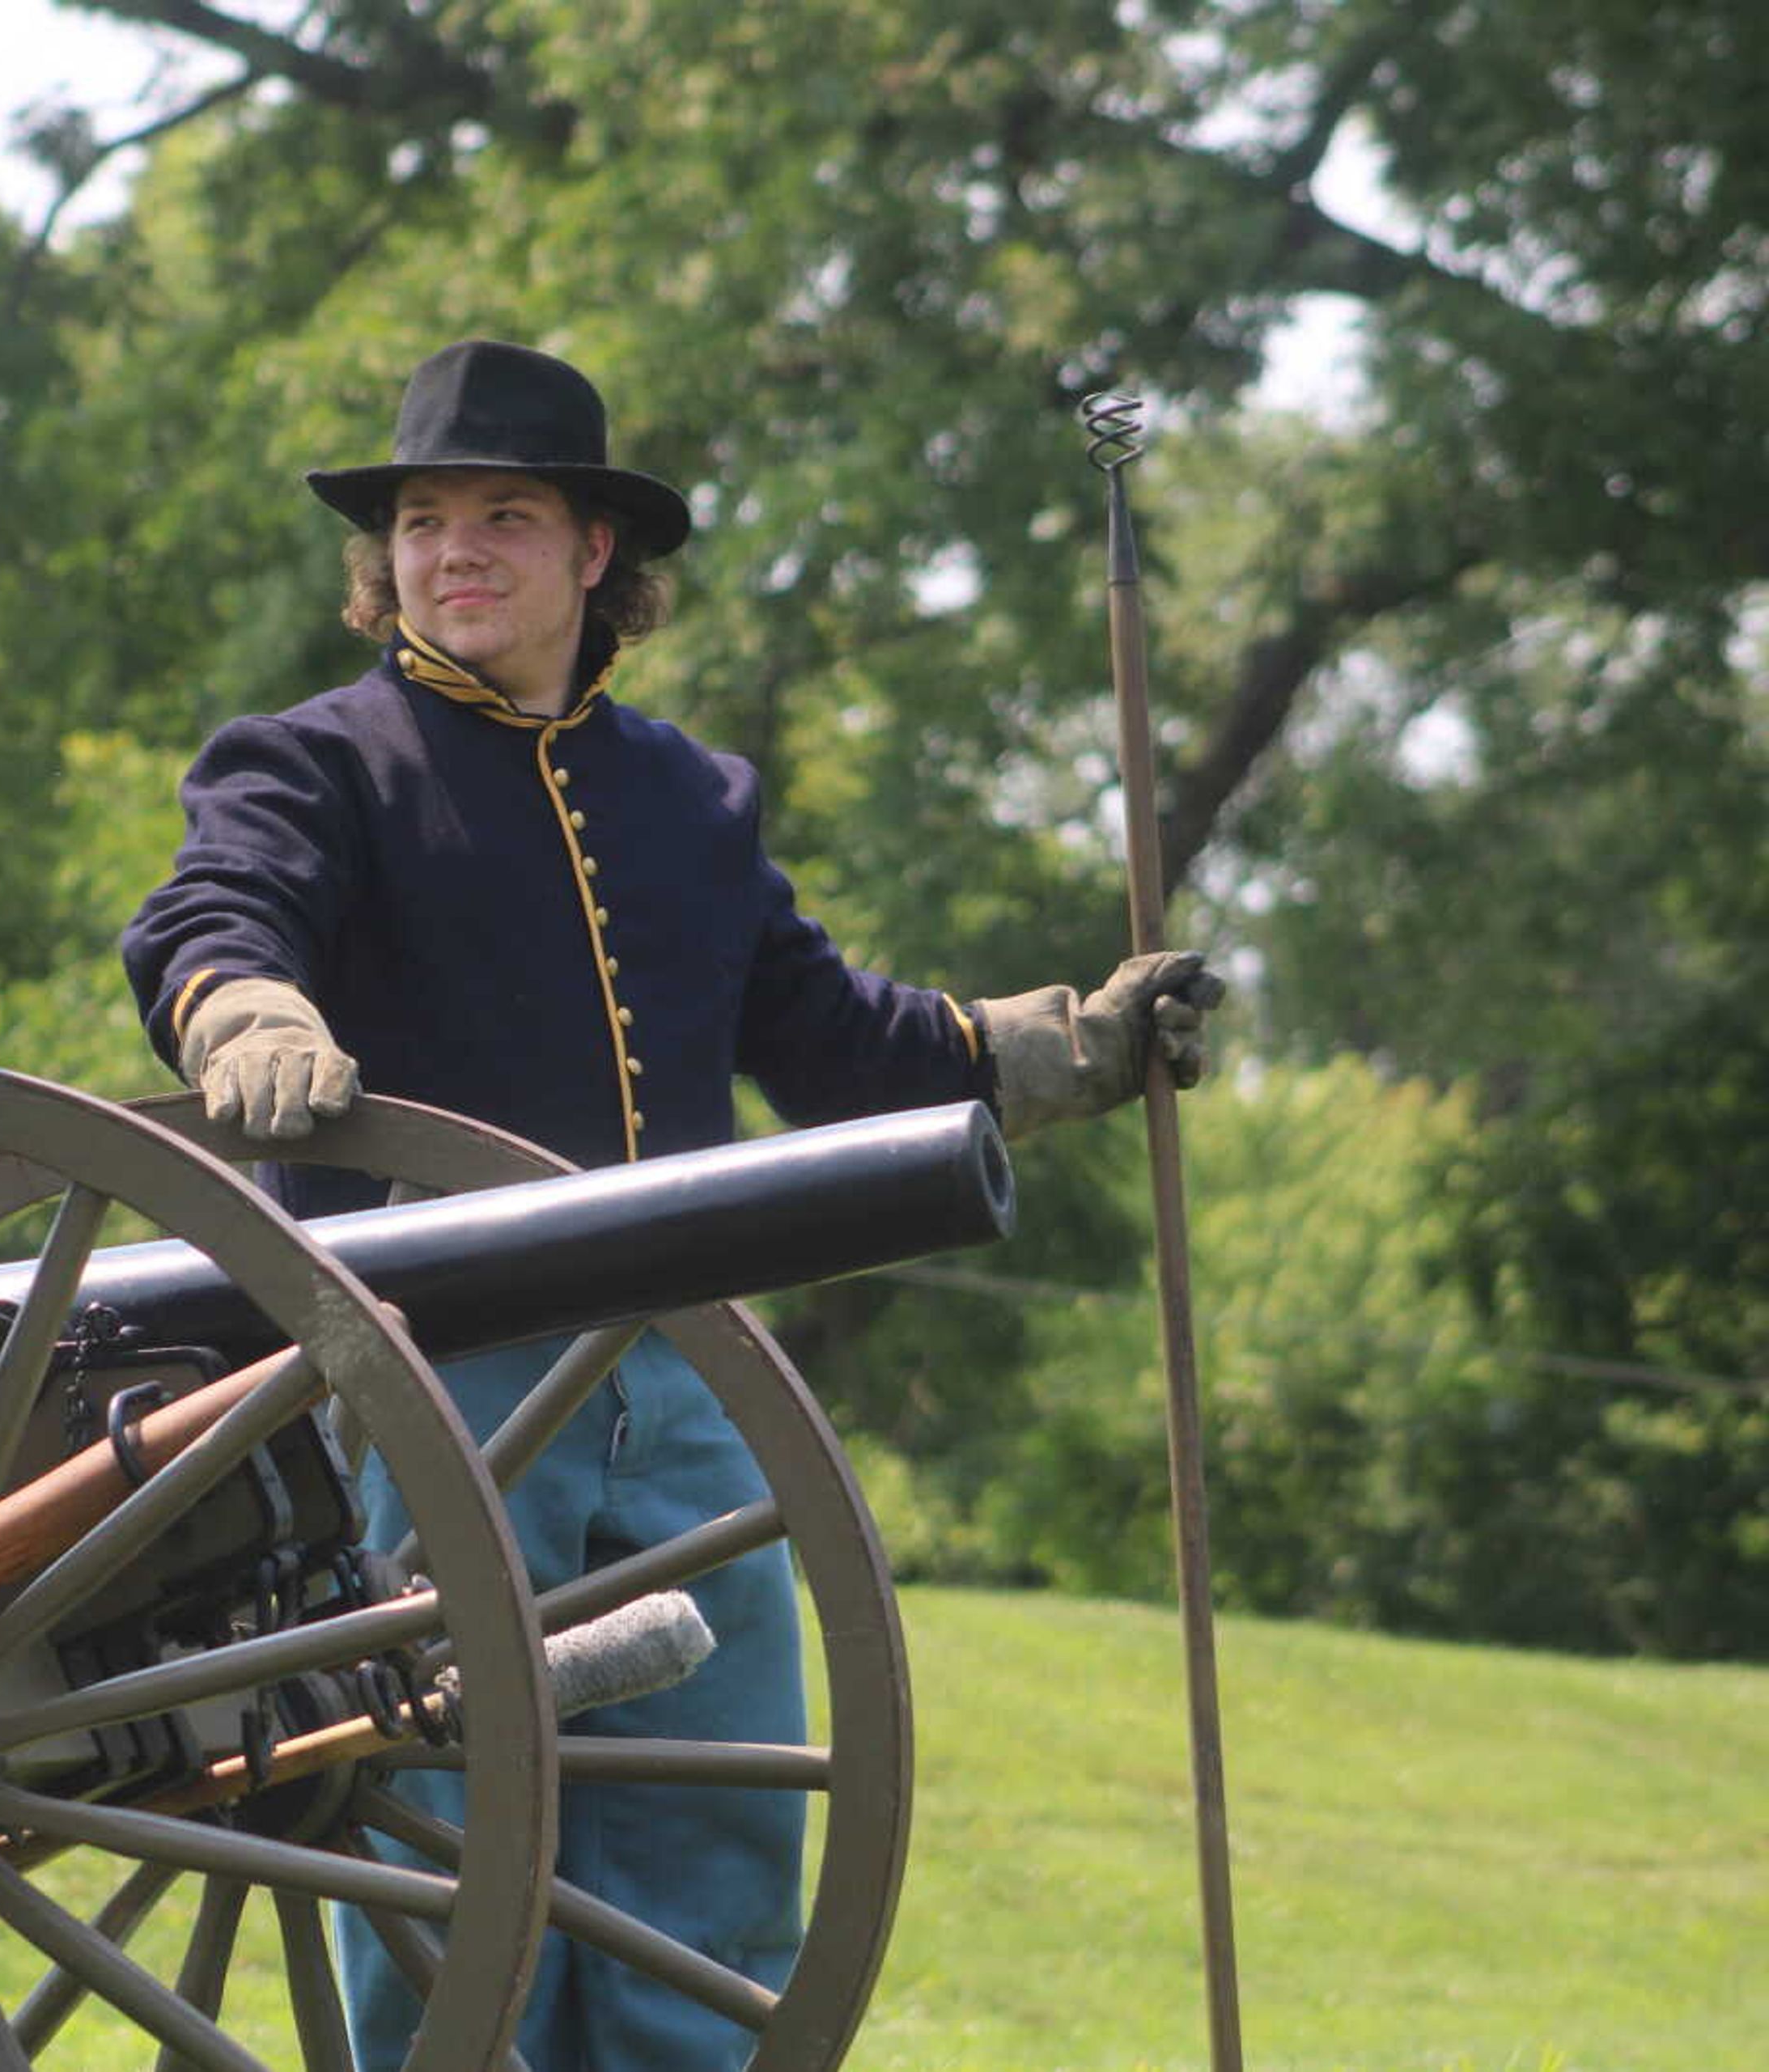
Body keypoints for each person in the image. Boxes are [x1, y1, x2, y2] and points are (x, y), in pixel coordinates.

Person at [120, 338, 1218, 2070]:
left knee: (715, 1843)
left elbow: (831, 1036)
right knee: (449, 1857)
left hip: (689, 1383)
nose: (453, 553)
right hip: (438, 1370)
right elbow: (212, 910)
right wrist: (243, 1007)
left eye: (502, 516)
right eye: (421, 522)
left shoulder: (690, 797)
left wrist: (1068, 1044)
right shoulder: (315, 761)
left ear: (593, 555)